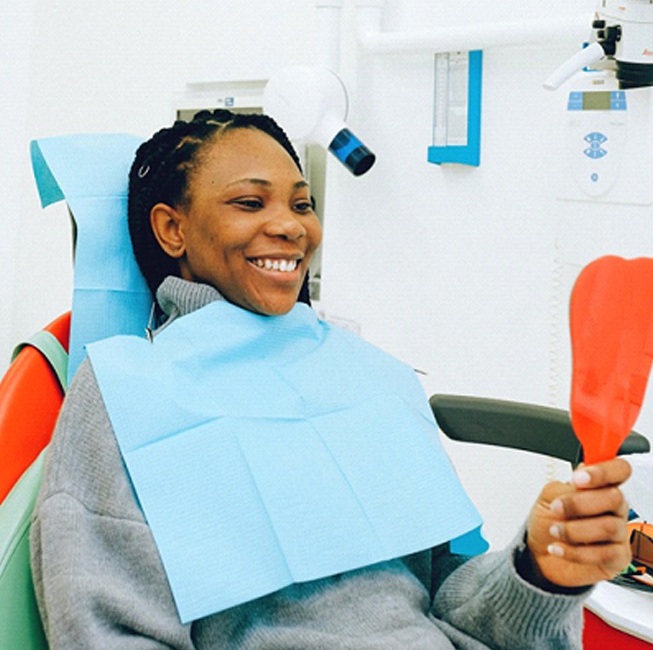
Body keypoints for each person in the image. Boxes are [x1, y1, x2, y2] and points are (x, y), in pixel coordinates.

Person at [31, 109, 632, 649]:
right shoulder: (126, 390)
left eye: (301, 204)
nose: (292, 227)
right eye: (250, 202)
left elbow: (456, 601)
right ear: (172, 230)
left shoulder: (368, 374)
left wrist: (539, 569)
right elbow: (105, 628)